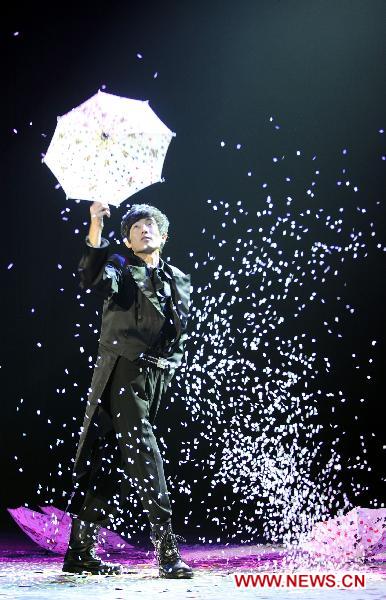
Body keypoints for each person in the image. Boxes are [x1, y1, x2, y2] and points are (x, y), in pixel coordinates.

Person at [62, 200, 193, 578]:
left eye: (150, 225)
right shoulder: (119, 268)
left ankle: (79, 553)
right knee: (144, 453)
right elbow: (92, 278)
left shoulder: (179, 278)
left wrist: (170, 369)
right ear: (128, 240)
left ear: (164, 236)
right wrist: (95, 226)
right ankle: (167, 552)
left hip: (156, 378)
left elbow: (179, 332)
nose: (143, 229)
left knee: (111, 463)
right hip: (123, 372)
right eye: (135, 227)